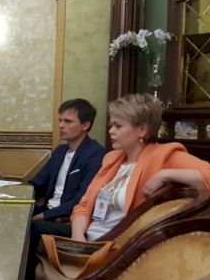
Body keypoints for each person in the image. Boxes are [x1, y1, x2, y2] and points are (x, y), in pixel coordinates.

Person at [71, 93, 210, 241]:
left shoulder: (163, 155)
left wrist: (165, 175)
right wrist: (78, 238)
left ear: (142, 130)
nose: (111, 131)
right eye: (111, 125)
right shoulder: (112, 159)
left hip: (122, 247)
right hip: (88, 242)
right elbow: (83, 206)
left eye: (118, 126)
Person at [30, 99, 106, 235]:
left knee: (28, 226)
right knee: (15, 215)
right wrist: (14, 195)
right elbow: (38, 184)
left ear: (85, 125)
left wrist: (44, 216)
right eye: (60, 120)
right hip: (48, 209)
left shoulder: (96, 154)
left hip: (68, 218)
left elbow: (81, 200)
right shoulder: (60, 151)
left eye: (68, 121)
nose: (61, 126)